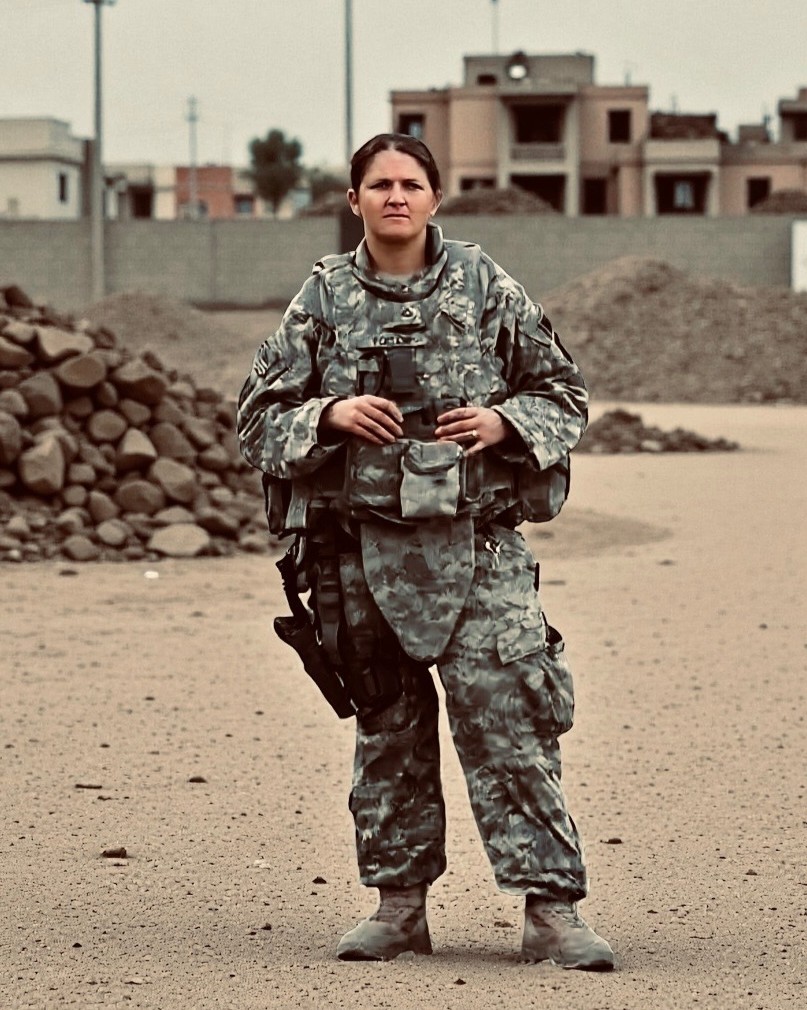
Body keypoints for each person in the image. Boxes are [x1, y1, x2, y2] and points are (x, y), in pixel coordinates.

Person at [237, 133, 614, 970]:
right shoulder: (322, 300)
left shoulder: (485, 286)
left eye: (411, 183)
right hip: (359, 552)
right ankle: (399, 907)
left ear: (435, 198)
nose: (396, 197)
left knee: (512, 717)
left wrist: (504, 422)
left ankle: (551, 910)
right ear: (355, 201)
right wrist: (328, 415)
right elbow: (256, 420)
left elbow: (565, 394)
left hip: (479, 548)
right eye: (379, 185)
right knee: (389, 729)